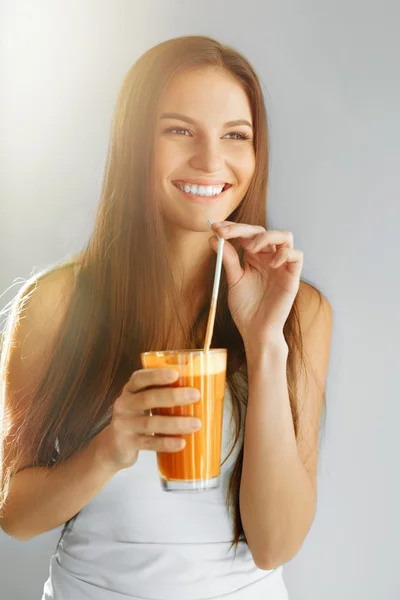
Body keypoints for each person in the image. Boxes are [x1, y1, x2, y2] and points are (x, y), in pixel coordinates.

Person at [0, 35, 333, 599]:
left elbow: (275, 544)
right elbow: (16, 516)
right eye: (179, 130)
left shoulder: (299, 311)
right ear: (135, 144)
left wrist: (266, 343)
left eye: (235, 135)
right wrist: (109, 449)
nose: (210, 160)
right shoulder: (57, 304)